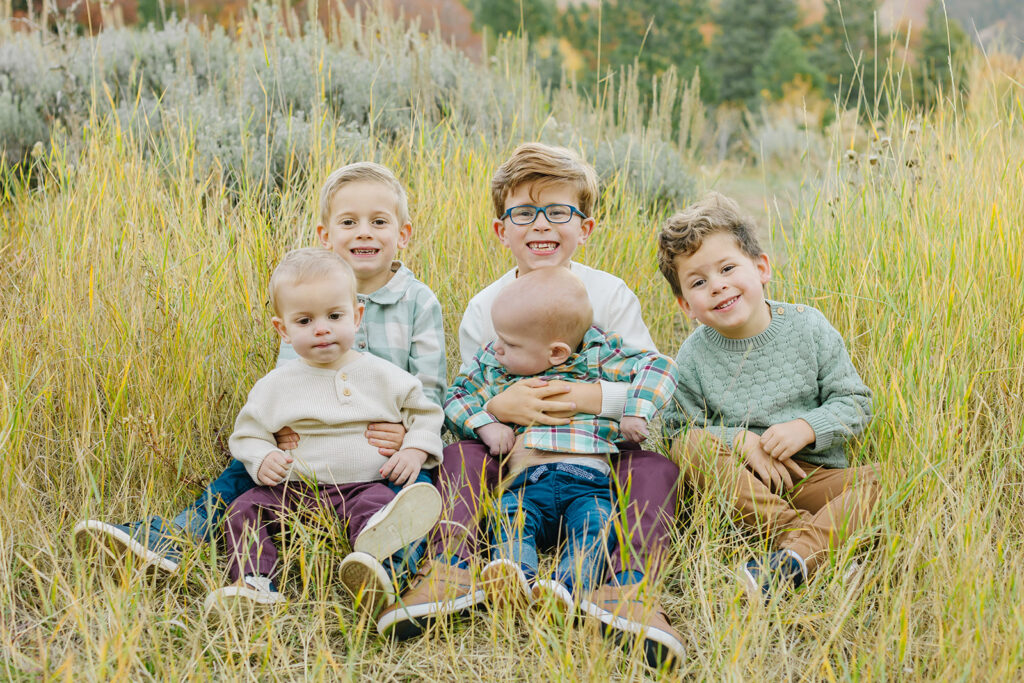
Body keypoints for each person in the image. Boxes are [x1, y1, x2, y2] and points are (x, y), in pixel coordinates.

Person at [377, 143, 686, 669]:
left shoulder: (609, 297)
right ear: (502, 229)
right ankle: (449, 567)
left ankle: (628, 586)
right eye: (524, 212)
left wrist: (590, 398)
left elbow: (653, 377)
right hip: (518, 453)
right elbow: (471, 389)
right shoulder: (486, 306)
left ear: (584, 227)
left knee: (657, 469)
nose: (541, 225)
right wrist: (498, 403)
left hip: (601, 450)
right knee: (461, 458)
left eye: (559, 211)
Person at [74, 162, 447, 586]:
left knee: (411, 489)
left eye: (378, 221)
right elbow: (288, 381)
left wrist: (411, 441)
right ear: (326, 236)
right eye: (349, 222)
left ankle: (390, 570)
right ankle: (179, 536)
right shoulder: (303, 297)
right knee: (243, 470)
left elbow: (431, 390)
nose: (364, 232)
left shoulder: (418, 300)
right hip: (309, 445)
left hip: (383, 448)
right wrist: (274, 439)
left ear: (402, 233)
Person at [657, 191, 879, 603]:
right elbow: (677, 430)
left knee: (886, 481)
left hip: (811, 475)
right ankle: (801, 540)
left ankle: (792, 559)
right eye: (699, 282)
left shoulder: (807, 327)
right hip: (743, 486)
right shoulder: (693, 356)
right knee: (691, 447)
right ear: (686, 304)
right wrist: (738, 440)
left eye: (727, 268)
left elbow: (855, 402)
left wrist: (807, 427)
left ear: (761, 268)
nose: (718, 286)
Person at [204, 248, 444, 613]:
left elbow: (425, 413)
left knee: (384, 511)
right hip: (295, 490)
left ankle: (375, 570)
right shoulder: (276, 385)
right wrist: (262, 456)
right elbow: (248, 433)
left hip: (365, 487)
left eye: (334, 316)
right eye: (304, 321)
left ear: (357, 316)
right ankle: (254, 581)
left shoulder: (385, 375)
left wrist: (414, 449)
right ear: (282, 329)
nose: (321, 328)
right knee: (244, 507)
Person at [444, 267, 676, 622]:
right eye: (498, 338)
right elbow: (457, 394)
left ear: (556, 352)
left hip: (587, 481)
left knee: (594, 528)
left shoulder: (598, 355)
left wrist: (635, 410)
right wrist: (487, 421)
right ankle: (516, 575)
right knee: (510, 520)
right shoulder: (496, 361)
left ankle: (567, 587)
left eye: (509, 343)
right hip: (524, 481)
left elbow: (658, 365)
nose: (497, 347)